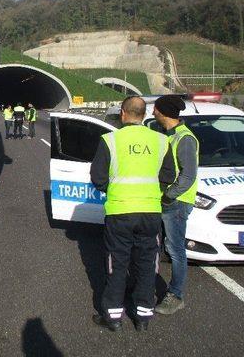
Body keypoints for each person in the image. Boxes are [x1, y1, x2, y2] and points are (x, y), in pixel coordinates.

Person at [90, 96, 175, 332]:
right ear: (144, 114)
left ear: (123, 114)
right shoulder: (161, 141)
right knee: (148, 263)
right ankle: (143, 316)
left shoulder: (110, 139)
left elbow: (97, 178)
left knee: (116, 263)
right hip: (150, 211)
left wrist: (116, 189)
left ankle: (113, 316)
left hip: (119, 211)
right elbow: (169, 176)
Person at [153, 95, 199, 315]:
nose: (153, 113)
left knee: (176, 249)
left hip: (177, 203)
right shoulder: (168, 135)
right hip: (167, 201)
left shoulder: (185, 139)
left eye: (156, 110)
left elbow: (188, 176)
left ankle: (176, 295)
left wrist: (169, 195)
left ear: (163, 112)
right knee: (163, 246)